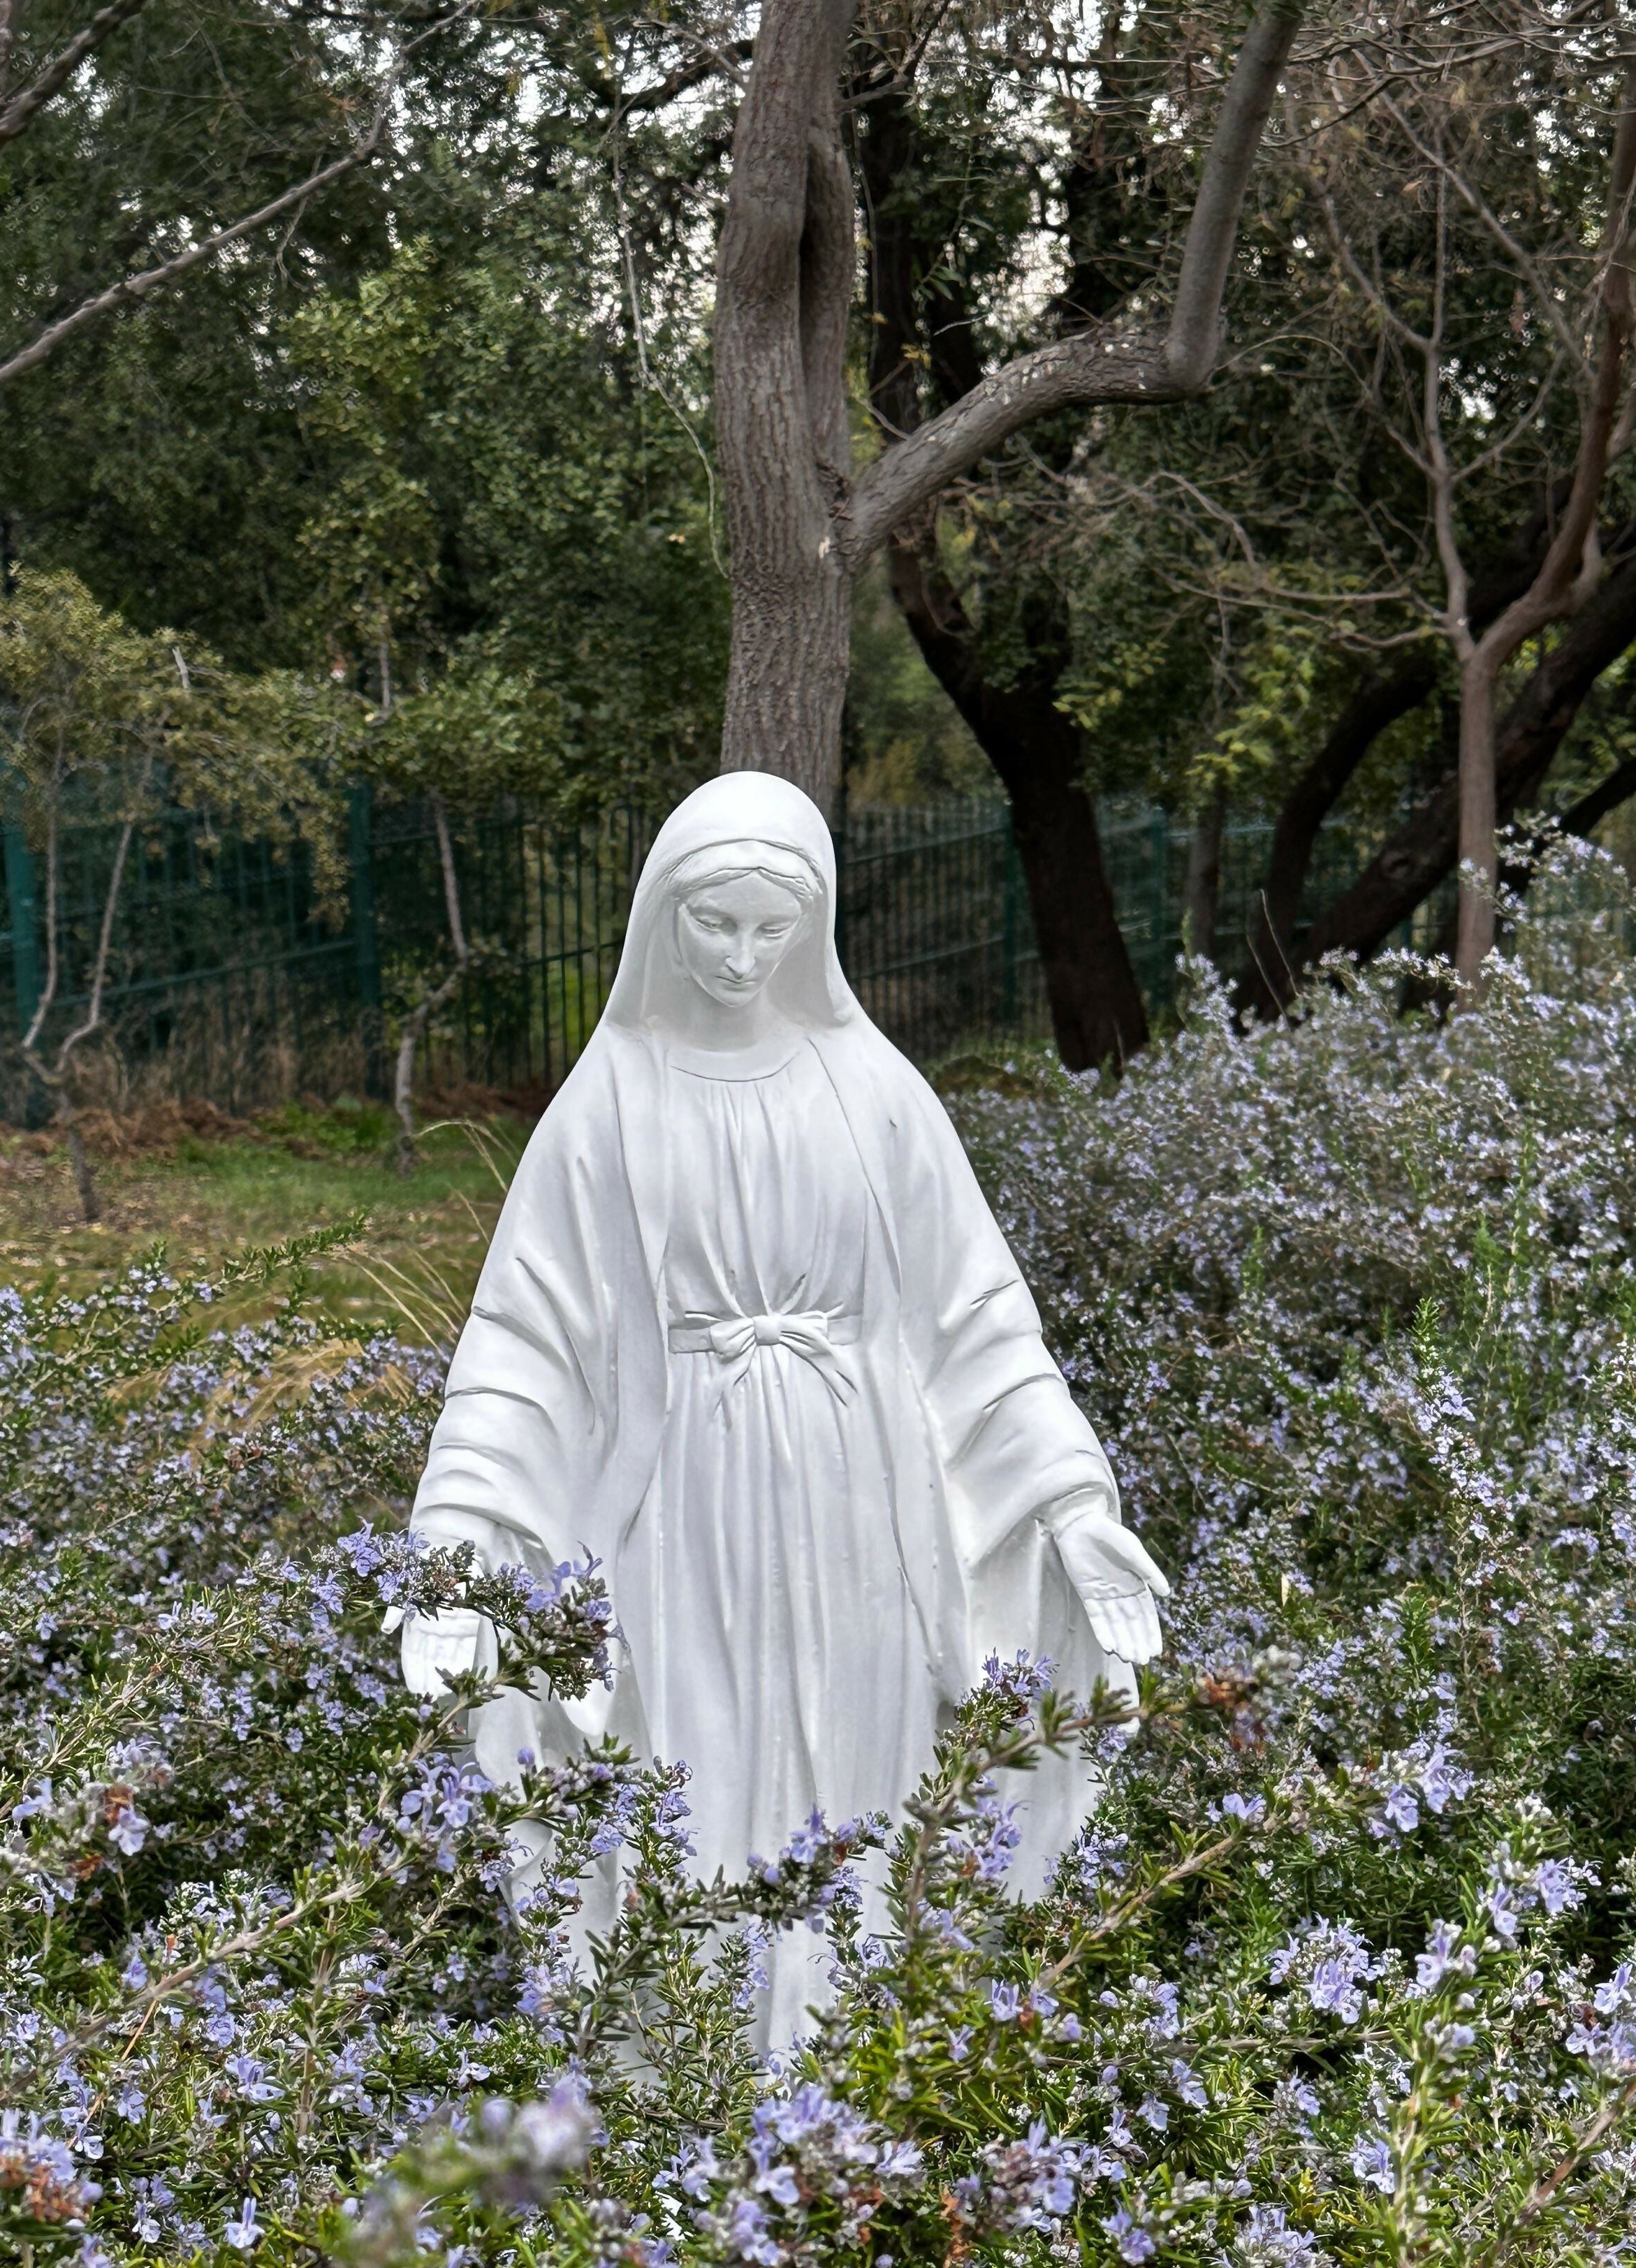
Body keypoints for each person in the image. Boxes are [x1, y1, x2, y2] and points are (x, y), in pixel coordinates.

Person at [399, 770, 1168, 2047]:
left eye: (772, 929)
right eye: (715, 924)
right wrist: (458, 1532)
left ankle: (846, 2065)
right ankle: (688, 2072)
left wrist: (1074, 1505)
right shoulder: (610, 1102)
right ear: (662, 917)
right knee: (694, 1764)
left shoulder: (872, 1095)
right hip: (685, 1506)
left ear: (810, 931)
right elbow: (528, 1335)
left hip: (862, 1503)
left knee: (861, 1769)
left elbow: (976, 1319)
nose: (742, 957)